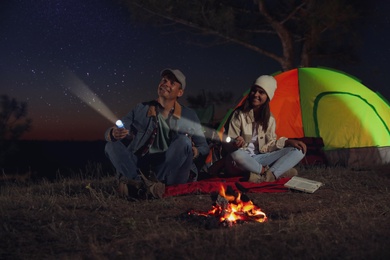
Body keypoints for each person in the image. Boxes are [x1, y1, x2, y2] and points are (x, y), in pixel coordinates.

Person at [104, 68, 209, 198]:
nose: (166, 84)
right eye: (164, 80)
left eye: (172, 83)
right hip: (144, 166)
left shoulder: (189, 115)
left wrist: (195, 151)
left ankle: (140, 186)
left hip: (171, 168)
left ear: (180, 92)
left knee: (184, 142)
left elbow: (204, 147)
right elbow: (114, 130)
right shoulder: (141, 109)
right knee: (111, 145)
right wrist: (113, 132)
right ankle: (141, 184)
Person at [223, 75, 306, 183]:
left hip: (259, 158)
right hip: (240, 160)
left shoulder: (270, 119)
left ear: (267, 96)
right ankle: (270, 172)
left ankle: (265, 177)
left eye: (261, 92)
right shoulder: (239, 114)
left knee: (299, 151)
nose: (255, 95)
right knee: (236, 154)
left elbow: (270, 145)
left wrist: (287, 142)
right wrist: (235, 142)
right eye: (254, 91)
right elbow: (228, 141)